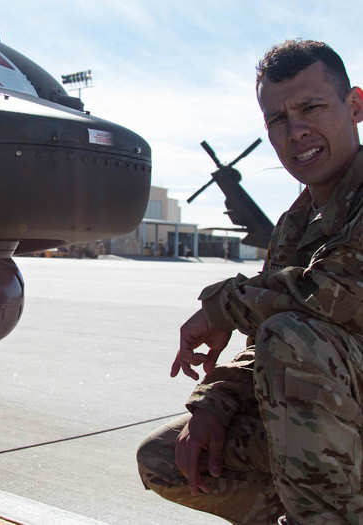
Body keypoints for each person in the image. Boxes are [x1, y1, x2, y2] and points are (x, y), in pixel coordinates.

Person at [136, 39, 363, 525]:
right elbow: (264, 338)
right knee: (166, 459)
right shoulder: (296, 222)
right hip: (338, 419)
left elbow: (331, 292)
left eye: (310, 107)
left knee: (294, 339)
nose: (296, 130)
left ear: (355, 106)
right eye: (278, 119)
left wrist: (221, 305)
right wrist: (212, 406)